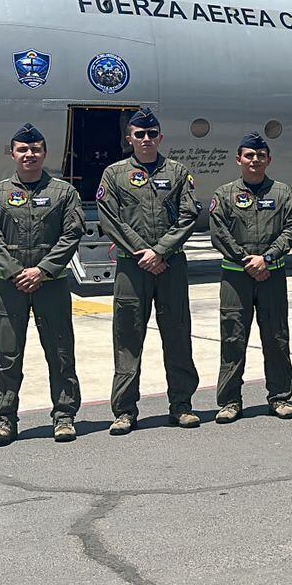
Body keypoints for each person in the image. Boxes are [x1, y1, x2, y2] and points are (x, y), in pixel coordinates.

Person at [0, 123, 85, 446]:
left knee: (60, 350)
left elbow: (71, 236)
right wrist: (15, 272)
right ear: (12, 153)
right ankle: (4, 419)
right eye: (23, 149)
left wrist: (43, 271)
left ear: (45, 153)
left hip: (50, 285)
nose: (29, 154)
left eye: (35, 149)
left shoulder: (64, 193)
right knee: (7, 355)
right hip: (8, 288)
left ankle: (64, 416)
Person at [97, 107, 201, 434]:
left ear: (160, 137)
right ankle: (125, 410)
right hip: (133, 266)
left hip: (170, 265)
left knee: (178, 334)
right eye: (139, 134)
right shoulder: (114, 174)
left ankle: (182, 406)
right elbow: (110, 216)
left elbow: (189, 216)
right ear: (129, 138)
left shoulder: (179, 172)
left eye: (151, 134)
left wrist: (160, 250)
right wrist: (142, 250)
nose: (146, 139)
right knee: (127, 337)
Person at [207, 132, 292, 423]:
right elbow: (218, 232)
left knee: (276, 336)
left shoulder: (282, 192)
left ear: (268, 159)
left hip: (272, 274)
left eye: (260, 155)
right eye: (249, 155)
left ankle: (280, 397)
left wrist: (268, 258)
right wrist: (246, 260)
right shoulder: (224, 194)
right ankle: (230, 401)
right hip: (236, 278)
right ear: (239, 159)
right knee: (233, 338)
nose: (255, 160)